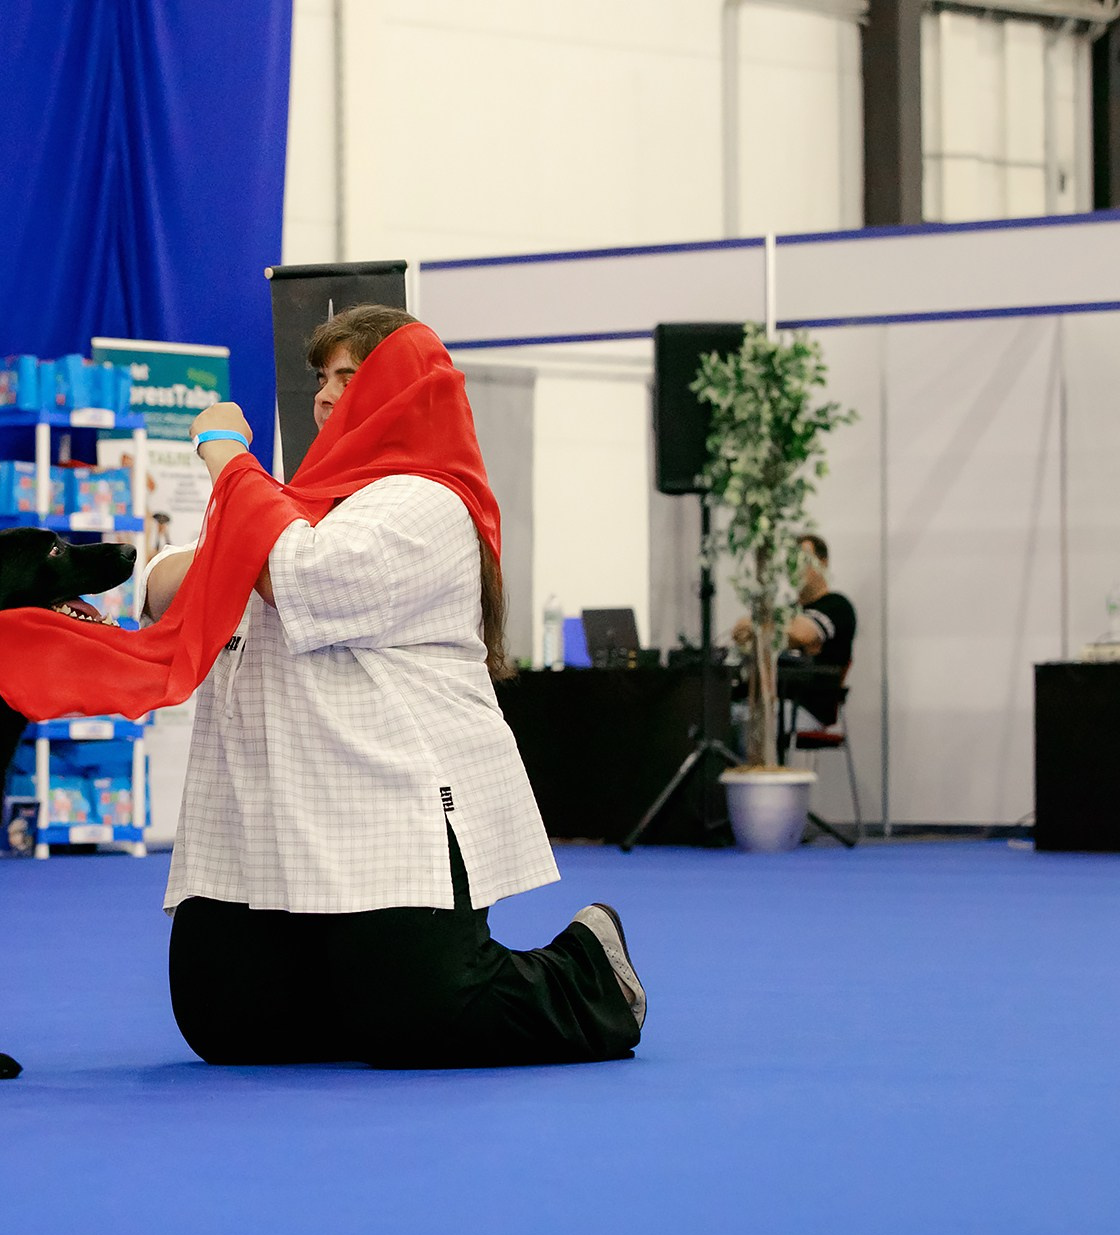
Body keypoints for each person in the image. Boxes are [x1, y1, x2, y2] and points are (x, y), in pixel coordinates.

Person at [130, 304, 644, 1069]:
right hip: (270, 819)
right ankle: (362, 987)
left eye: (351, 375)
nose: (327, 394)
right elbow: (165, 584)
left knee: (422, 1017)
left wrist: (226, 459)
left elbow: (303, 577)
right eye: (321, 378)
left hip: (394, 807)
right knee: (223, 1019)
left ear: (403, 395)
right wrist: (233, 534)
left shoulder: (427, 503)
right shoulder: (294, 508)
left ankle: (589, 970)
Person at [733, 534, 855, 727]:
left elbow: (804, 634)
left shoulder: (836, 606)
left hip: (806, 707)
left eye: (803, 561)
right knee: (716, 712)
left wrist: (761, 626)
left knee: (741, 721)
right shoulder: (786, 612)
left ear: (823, 563)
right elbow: (740, 633)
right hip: (769, 700)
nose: (795, 568)